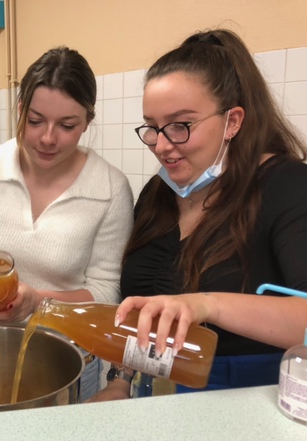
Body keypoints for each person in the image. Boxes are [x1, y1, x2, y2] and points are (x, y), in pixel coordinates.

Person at [97, 28, 307, 401]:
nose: (162, 146)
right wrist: (120, 381)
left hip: (250, 403)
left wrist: (206, 304)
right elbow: (142, 317)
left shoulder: (287, 186)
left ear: (233, 121)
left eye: (181, 126)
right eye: (153, 127)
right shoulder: (156, 196)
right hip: (156, 397)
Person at [0, 46, 134, 400]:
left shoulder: (109, 189)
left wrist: (37, 302)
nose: (49, 138)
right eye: (35, 121)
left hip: (68, 354)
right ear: (20, 109)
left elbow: (107, 293)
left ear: (87, 122)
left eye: (67, 126)